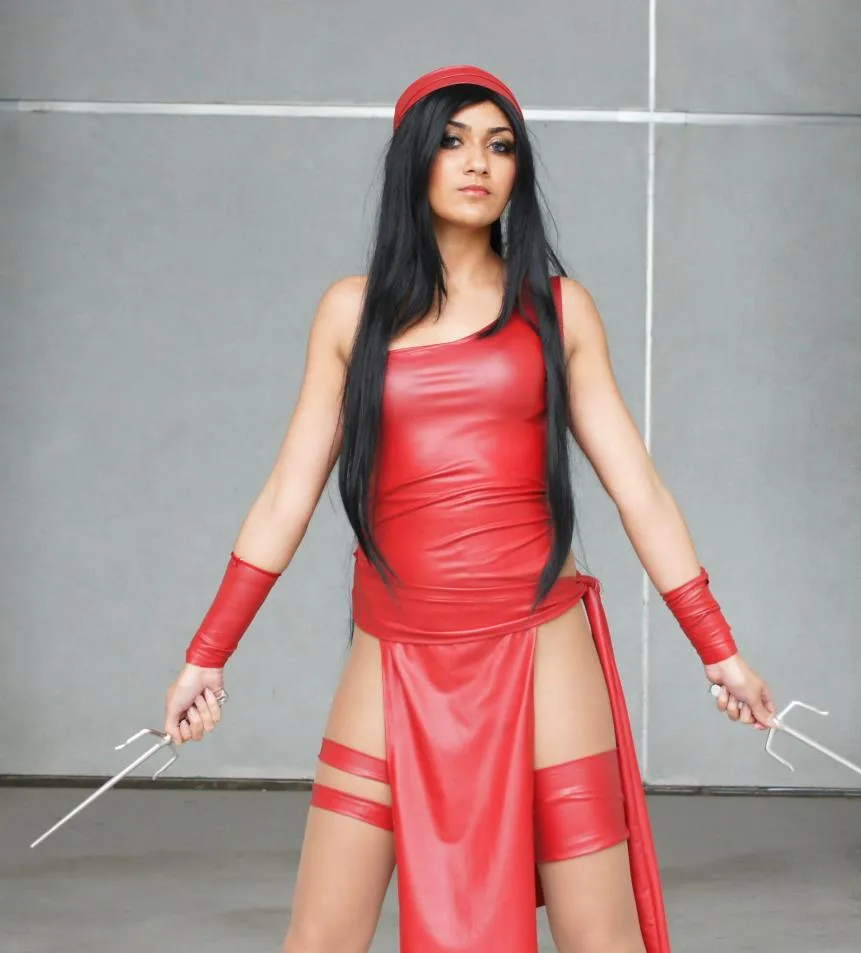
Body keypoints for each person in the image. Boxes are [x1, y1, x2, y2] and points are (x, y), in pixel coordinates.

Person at [162, 65, 777, 953]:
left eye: (500, 145)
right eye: (452, 142)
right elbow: (286, 494)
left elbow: (638, 486)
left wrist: (718, 648)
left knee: (600, 935)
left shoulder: (559, 310)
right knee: (320, 935)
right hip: (393, 650)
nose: (478, 162)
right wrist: (207, 653)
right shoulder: (352, 312)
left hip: (541, 643)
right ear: (413, 160)